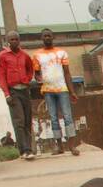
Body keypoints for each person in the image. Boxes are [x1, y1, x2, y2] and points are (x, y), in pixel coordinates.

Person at [34, 28, 80, 156]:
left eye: (49, 36)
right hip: (48, 90)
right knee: (53, 118)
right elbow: (36, 74)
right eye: (45, 36)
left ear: (53, 37)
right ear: (41, 38)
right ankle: (59, 146)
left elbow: (67, 73)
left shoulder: (62, 53)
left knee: (67, 116)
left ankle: (72, 146)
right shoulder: (37, 55)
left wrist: (72, 91)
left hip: (62, 89)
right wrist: (39, 79)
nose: (47, 38)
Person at [0, 32, 36, 160]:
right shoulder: (3, 56)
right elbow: (1, 76)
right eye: (11, 39)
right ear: (8, 41)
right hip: (13, 91)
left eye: (16, 39)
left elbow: (31, 69)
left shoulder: (24, 55)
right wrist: (7, 94)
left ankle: (29, 148)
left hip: (25, 90)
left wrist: (27, 79)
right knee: (19, 121)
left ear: (19, 41)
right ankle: (24, 150)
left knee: (27, 120)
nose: (14, 41)